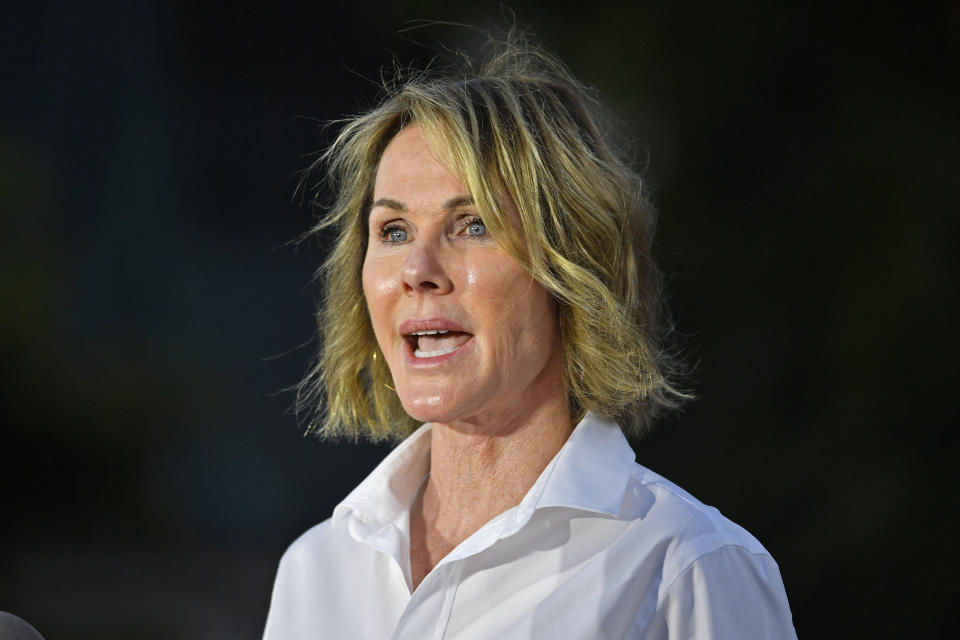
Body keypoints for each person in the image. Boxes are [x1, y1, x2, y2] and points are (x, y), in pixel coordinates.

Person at [263, 35, 797, 639]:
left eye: (473, 224)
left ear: (571, 268)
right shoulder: (316, 571)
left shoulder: (686, 567)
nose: (417, 270)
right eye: (392, 231)